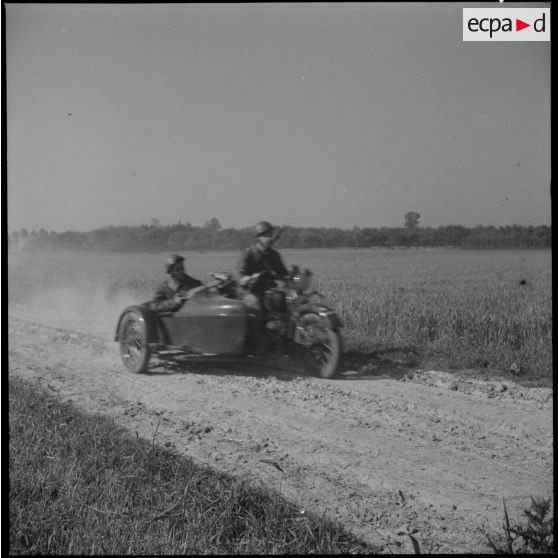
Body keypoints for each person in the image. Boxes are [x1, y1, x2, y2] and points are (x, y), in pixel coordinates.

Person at [238, 221, 289, 325]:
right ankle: (257, 338)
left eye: (270, 235)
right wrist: (247, 278)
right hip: (250, 291)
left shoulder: (273, 255)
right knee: (255, 304)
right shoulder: (249, 253)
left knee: (284, 300)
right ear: (258, 238)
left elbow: (283, 272)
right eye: (265, 236)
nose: (269, 238)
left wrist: (293, 276)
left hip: (268, 290)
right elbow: (240, 274)